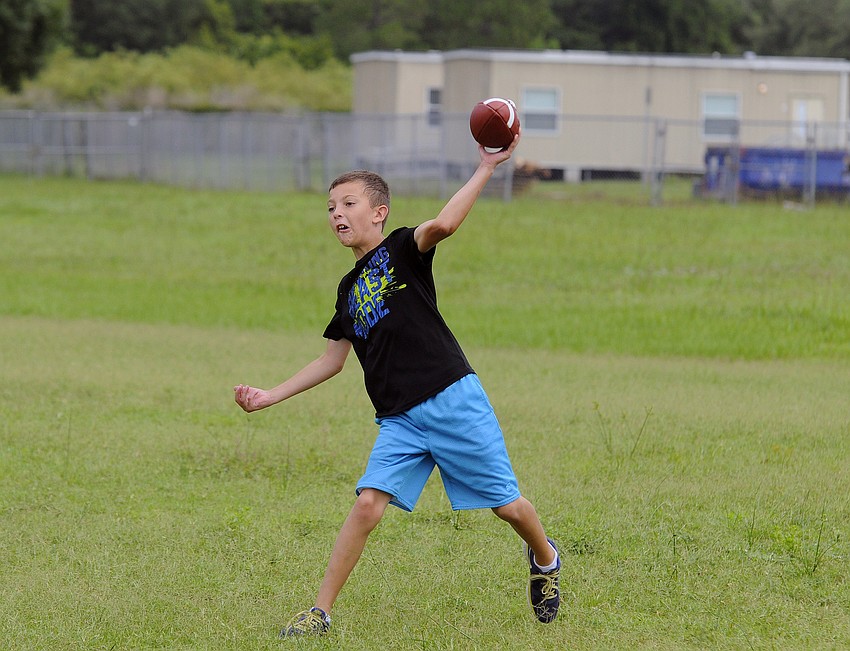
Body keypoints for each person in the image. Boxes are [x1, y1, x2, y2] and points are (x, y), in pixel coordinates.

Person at [233, 131, 560, 638]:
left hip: (452, 398)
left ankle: (544, 559)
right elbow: (331, 360)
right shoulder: (348, 290)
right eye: (330, 207)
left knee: (507, 506)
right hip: (399, 419)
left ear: (379, 211)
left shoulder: (405, 248)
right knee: (367, 504)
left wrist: (487, 168)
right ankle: (319, 614)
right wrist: (270, 395)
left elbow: (446, 223)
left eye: (348, 203)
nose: (336, 214)